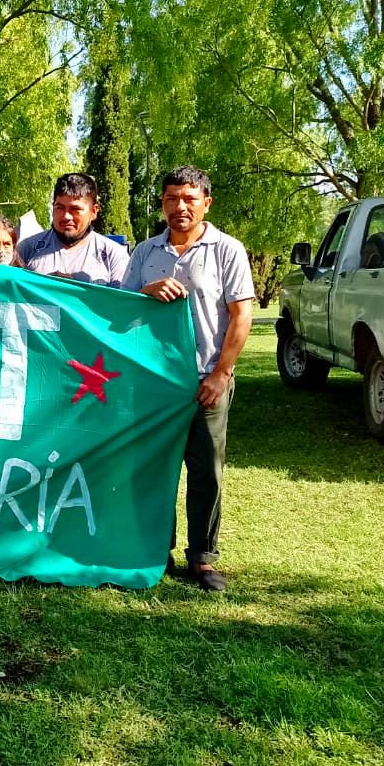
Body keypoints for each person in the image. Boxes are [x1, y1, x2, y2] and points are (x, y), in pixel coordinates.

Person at [121, 165, 254, 592]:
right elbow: (122, 311)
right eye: (172, 199)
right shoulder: (144, 253)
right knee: (153, 469)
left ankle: (203, 558)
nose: (180, 207)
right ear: (162, 202)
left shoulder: (227, 250)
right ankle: (155, 548)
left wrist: (222, 373)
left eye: (189, 199)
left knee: (205, 472)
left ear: (206, 203)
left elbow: (241, 316)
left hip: (205, 379)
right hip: (156, 383)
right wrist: (146, 292)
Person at [17, 172, 129, 285]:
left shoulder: (114, 255)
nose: (66, 216)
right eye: (59, 208)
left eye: (75, 209)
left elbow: (123, 301)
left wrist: (75, 293)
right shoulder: (27, 249)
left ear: (94, 212)